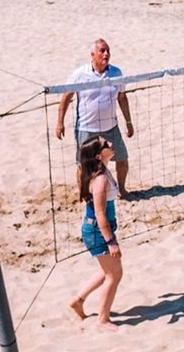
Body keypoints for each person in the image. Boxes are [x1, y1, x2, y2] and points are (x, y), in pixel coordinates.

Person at [55, 37, 135, 196]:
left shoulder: (116, 73)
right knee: (83, 165)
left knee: (122, 159)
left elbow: (122, 98)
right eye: (102, 51)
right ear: (93, 55)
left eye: (108, 51)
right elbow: (66, 98)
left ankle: (122, 190)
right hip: (86, 128)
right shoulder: (80, 74)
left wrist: (129, 122)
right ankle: (83, 193)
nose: (106, 54)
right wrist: (60, 123)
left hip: (110, 127)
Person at [69, 136, 125, 328]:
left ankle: (78, 300)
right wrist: (111, 242)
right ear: (99, 156)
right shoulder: (99, 180)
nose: (111, 143)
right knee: (115, 275)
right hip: (98, 230)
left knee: (107, 270)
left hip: (100, 228)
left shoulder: (101, 171)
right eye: (105, 144)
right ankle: (103, 320)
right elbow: (100, 214)